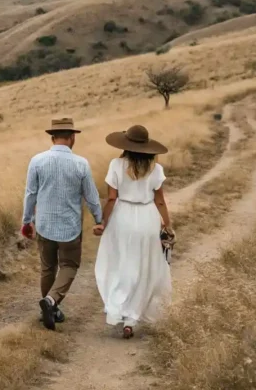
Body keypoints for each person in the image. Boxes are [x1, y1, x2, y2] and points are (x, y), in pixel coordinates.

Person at [21, 117, 103, 331]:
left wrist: (26, 221)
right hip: (70, 227)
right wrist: (99, 219)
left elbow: (30, 194)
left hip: (44, 224)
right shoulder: (81, 163)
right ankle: (51, 302)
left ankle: (49, 310)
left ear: (52, 137)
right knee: (69, 266)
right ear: (72, 137)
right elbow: (91, 197)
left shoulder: (37, 161)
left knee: (48, 267)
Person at [93, 124, 173, 339]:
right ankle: (132, 319)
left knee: (120, 263)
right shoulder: (156, 169)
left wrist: (102, 222)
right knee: (143, 267)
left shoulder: (116, 165)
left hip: (122, 218)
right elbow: (160, 201)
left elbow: (112, 198)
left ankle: (118, 306)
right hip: (147, 218)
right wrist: (167, 225)